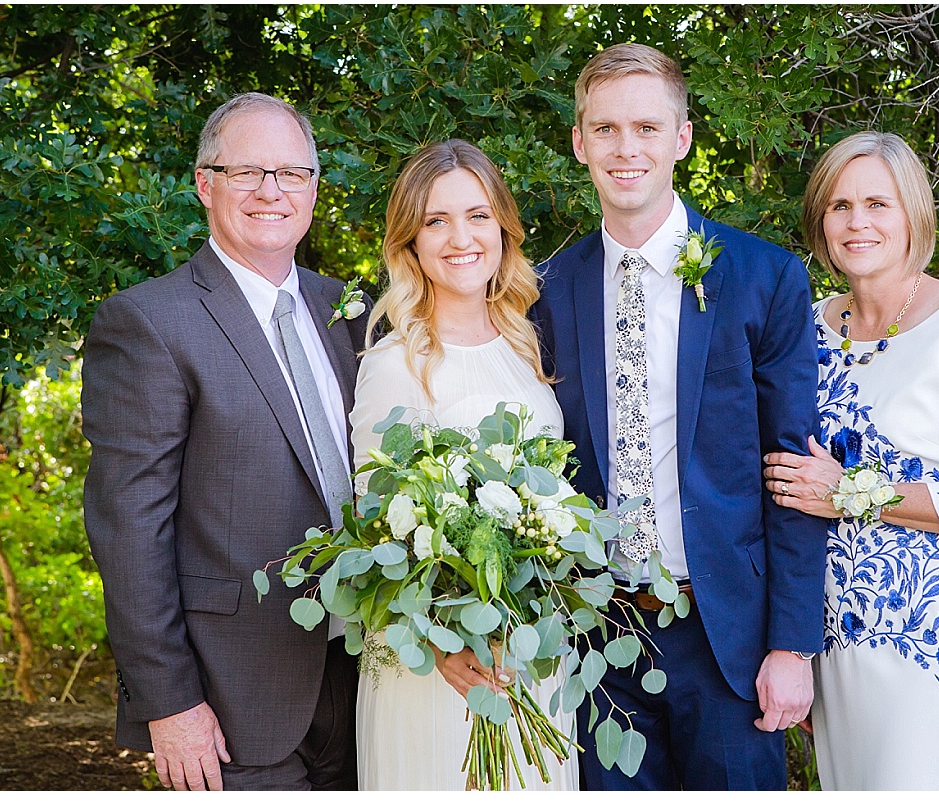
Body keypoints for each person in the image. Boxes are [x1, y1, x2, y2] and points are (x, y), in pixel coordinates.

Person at [532, 43, 827, 790]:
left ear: (682, 138)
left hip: (727, 634)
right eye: (604, 129)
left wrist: (793, 645)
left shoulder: (762, 276)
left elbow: (793, 470)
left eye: (646, 127)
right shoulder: (544, 290)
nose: (625, 148)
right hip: (595, 637)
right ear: (579, 141)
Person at [82, 93, 369, 790]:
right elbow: (129, 530)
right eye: (246, 172)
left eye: (291, 173)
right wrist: (169, 702)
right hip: (233, 698)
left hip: (368, 677)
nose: (270, 191)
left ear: (313, 189)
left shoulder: (351, 313)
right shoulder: (149, 321)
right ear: (205, 184)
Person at [762, 130, 939, 790]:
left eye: (876, 203)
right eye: (838, 206)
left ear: (913, 213)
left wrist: (855, 491)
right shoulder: (805, 328)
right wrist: (792, 641)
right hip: (835, 643)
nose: (856, 221)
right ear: (820, 222)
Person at [348, 139, 577, 791]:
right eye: (435, 221)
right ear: (410, 242)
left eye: (477, 216)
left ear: (503, 227)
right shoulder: (396, 363)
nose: (460, 238)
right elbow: (375, 528)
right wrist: (444, 639)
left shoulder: (526, 345)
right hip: (436, 663)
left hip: (531, 648)